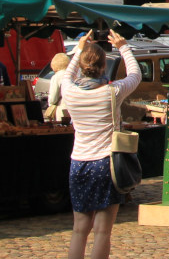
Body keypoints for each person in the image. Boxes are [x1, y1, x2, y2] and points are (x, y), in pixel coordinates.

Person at [59, 30, 140, 259]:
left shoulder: (70, 91)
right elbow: (135, 74)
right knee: (103, 231)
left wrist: (79, 49)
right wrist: (123, 46)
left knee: (79, 230)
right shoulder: (112, 92)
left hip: (79, 163)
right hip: (106, 163)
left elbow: (68, 73)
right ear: (104, 67)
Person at [44, 52, 72, 121]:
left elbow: (53, 99)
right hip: (73, 108)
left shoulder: (57, 76)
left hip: (62, 109)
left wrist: (50, 104)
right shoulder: (72, 74)